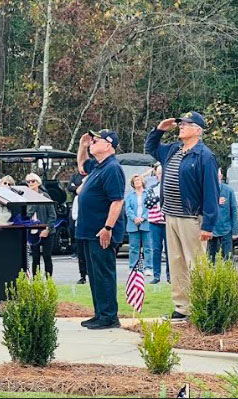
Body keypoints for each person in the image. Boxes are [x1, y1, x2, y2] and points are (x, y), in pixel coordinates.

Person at [145, 111, 219, 321]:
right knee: (176, 262)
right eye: (181, 123)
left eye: (187, 123)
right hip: (171, 215)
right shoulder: (174, 150)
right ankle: (182, 307)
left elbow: (211, 192)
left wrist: (208, 225)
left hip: (191, 218)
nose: (181, 126)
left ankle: (199, 306)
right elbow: (151, 149)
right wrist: (159, 129)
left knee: (195, 263)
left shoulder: (205, 156)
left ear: (198, 130)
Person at [76, 129, 126, 330]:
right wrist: (82, 146)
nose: (92, 142)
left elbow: (117, 200)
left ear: (109, 145)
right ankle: (100, 313)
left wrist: (108, 227)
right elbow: (81, 166)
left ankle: (109, 316)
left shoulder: (112, 168)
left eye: (96, 140)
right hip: (89, 230)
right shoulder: (98, 166)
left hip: (102, 231)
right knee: (94, 273)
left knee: (104, 273)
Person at [26, 173, 55, 277]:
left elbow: (52, 215)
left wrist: (47, 229)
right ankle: (35, 279)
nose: (31, 183)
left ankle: (48, 279)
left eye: (33, 181)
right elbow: (27, 214)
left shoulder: (45, 196)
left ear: (38, 182)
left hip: (47, 230)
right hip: (33, 231)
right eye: (28, 182)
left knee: (47, 256)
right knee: (35, 257)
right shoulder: (26, 197)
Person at [209, 169, 238, 261]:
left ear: (221, 176)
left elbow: (234, 211)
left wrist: (235, 231)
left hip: (226, 229)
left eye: (218, 175)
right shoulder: (207, 190)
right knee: (210, 258)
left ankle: (228, 274)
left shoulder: (229, 191)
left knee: (228, 258)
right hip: (211, 229)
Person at [125, 175, 153, 271]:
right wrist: (134, 218)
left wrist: (143, 218)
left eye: (138, 180)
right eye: (135, 180)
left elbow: (151, 207)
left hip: (146, 224)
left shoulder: (148, 193)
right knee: (134, 248)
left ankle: (148, 267)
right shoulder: (129, 195)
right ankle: (133, 267)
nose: (137, 182)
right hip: (133, 224)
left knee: (148, 247)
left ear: (142, 181)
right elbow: (128, 209)